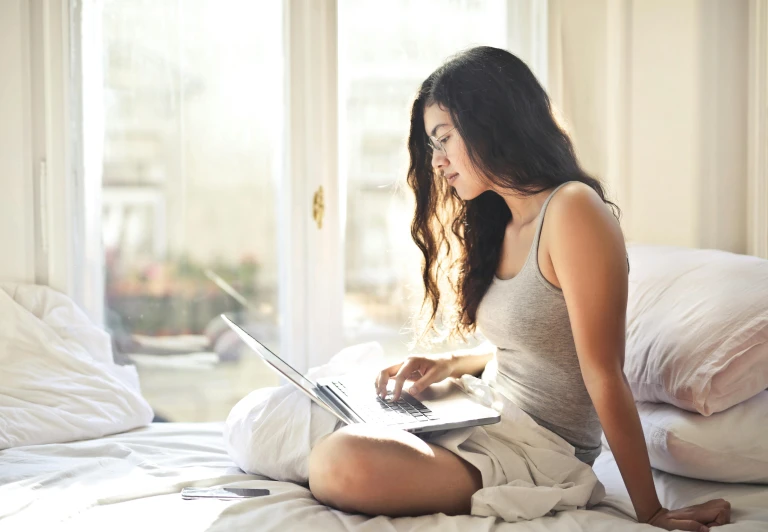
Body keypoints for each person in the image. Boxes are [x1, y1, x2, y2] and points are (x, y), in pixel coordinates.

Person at [308, 46, 730, 531]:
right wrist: (449, 363)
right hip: (486, 415)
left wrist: (651, 511)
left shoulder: (573, 210)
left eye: (443, 139)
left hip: (541, 451)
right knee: (296, 410)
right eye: (432, 146)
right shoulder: (502, 222)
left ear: (491, 121)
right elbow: (533, 349)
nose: (439, 161)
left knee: (340, 461)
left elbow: (603, 373)